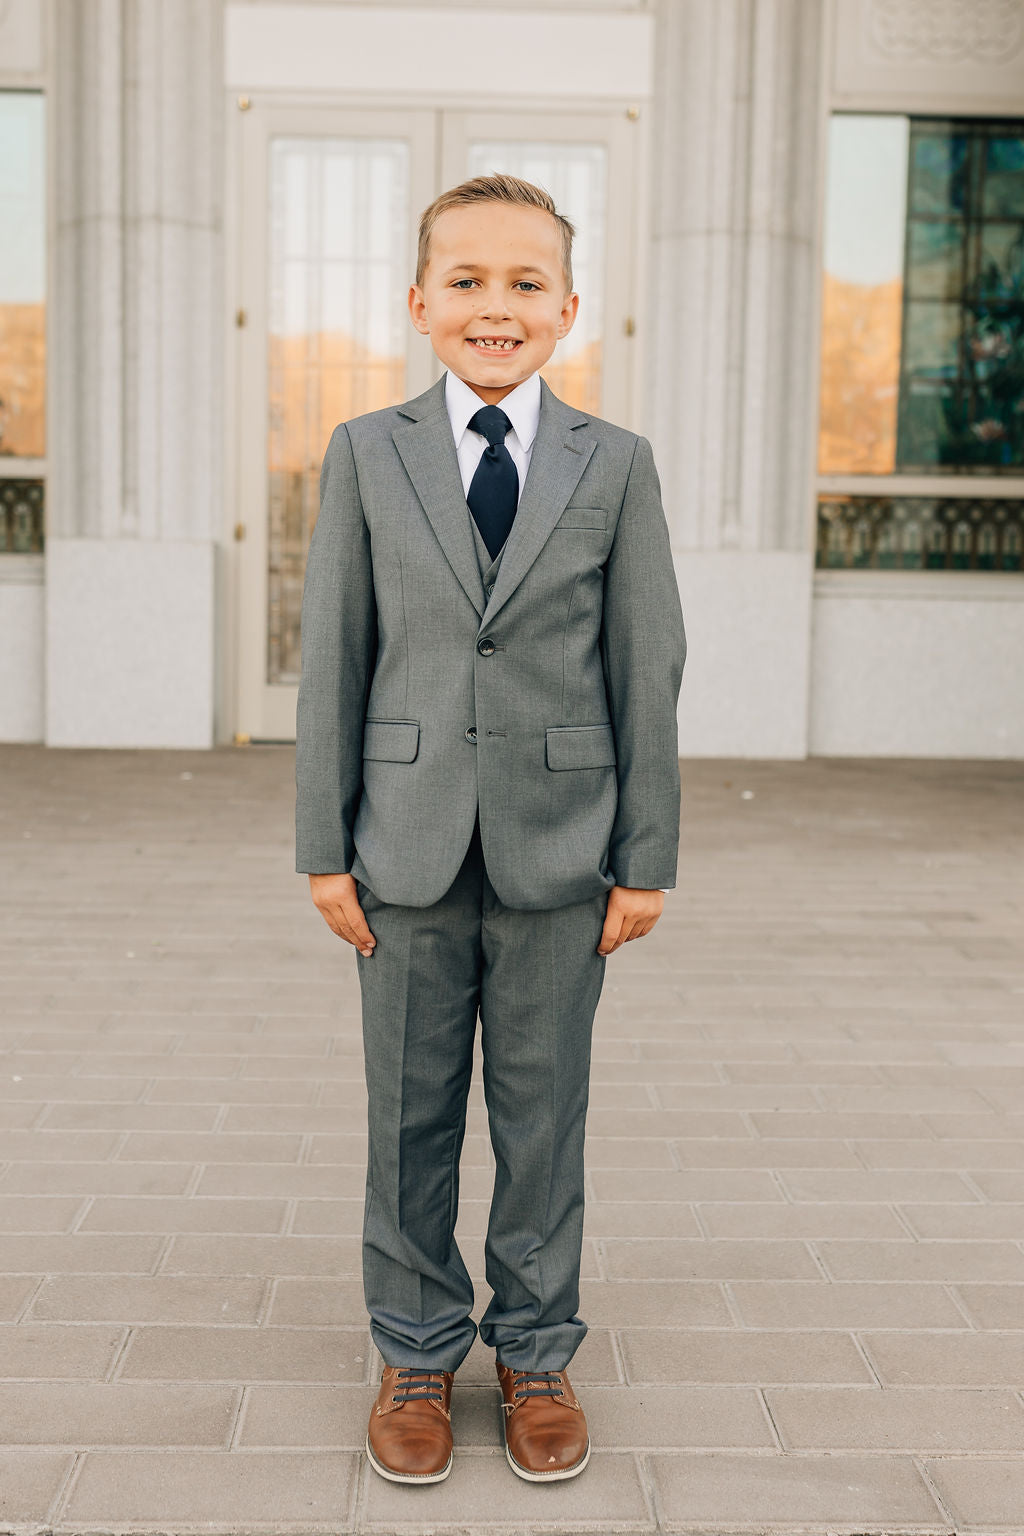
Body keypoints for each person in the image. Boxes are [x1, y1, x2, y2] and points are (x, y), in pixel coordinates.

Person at [295, 173, 685, 1486]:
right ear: (419, 303)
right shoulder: (366, 451)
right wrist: (322, 846)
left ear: (569, 309)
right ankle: (415, 1350)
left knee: (542, 1118)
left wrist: (646, 857)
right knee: (406, 1119)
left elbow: (647, 664)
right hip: (401, 848)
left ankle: (534, 1352)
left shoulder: (615, 464)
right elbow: (334, 657)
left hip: (561, 850)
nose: (496, 306)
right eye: (466, 280)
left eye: (526, 282)